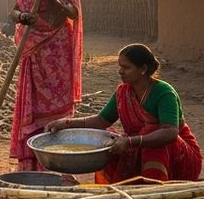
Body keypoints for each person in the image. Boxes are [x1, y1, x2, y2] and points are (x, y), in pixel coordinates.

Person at [47, 44, 201, 184]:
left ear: (143, 69)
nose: (120, 71)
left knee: (151, 131)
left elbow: (170, 132)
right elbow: (101, 121)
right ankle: (117, 189)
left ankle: (153, 190)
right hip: (138, 146)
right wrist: (66, 123)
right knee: (109, 139)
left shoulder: (164, 92)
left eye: (126, 67)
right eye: (120, 66)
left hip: (177, 157)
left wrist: (130, 142)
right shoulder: (123, 91)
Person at [9, 0, 82, 171]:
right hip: (32, 52)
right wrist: (22, 17)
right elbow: (15, 10)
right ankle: (31, 165)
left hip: (55, 54)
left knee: (53, 113)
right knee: (33, 108)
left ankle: (55, 165)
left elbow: (73, 11)